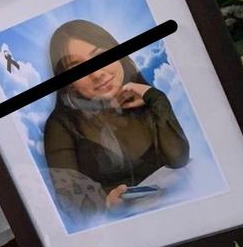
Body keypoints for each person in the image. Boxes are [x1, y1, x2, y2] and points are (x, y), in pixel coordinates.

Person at [43, 19, 189, 216]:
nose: (97, 73)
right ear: (68, 83)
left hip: (180, 208)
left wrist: (155, 98)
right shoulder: (60, 125)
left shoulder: (145, 98)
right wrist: (106, 203)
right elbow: (71, 203)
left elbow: (179, 159)